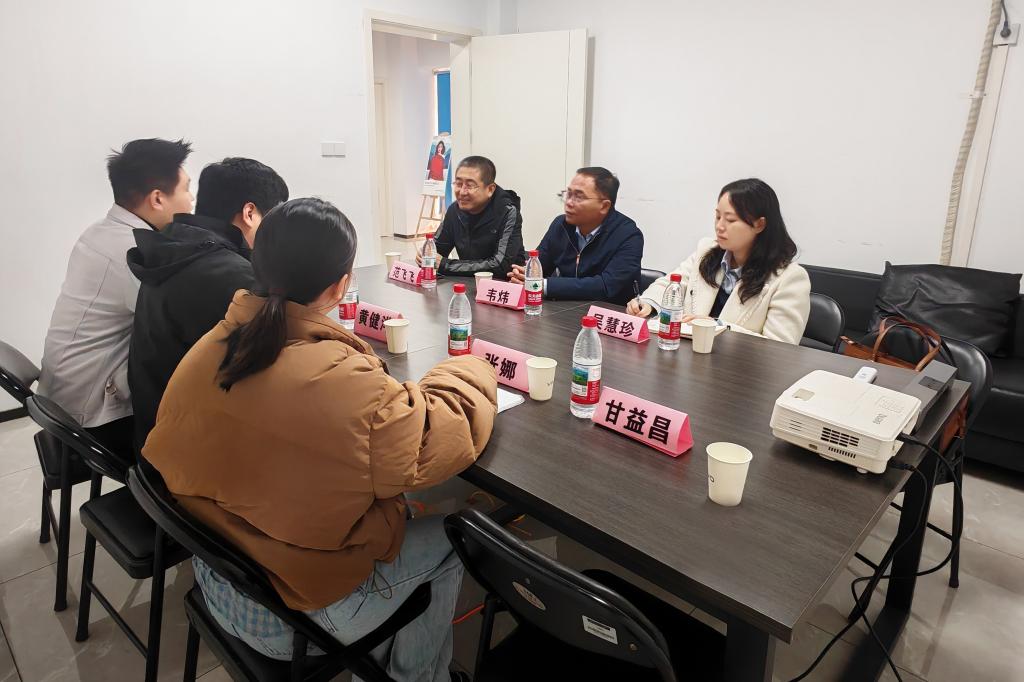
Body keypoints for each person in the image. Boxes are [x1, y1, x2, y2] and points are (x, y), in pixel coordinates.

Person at [142, 197, 497, 682]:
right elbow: (439, 436)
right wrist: (471, 367)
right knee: (455, 536)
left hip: (221, 577)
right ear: (340, 286)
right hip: (294, 613)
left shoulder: (211, 345)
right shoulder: (342, 382)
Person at [38, 138, 193, 462]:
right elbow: (179, 323)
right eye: (187, 189)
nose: (191, 200)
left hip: (63, 397)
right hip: (92, 419)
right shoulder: (133, 252)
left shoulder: (102, 232)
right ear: (157, 198)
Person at [127, 157, 289, 451]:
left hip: (156, 431)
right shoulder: (229, 276)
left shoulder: (175, 248)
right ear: (249, 213)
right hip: (190, 453)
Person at [627, 178, 810, 344]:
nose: (719, 226)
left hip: (739, 368)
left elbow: (781, 346)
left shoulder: (789, 278)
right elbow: (672, 283)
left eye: (730, 220)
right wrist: (647, 302)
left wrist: (718, 326)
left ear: (759, 224)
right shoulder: (706, 250)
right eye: (717, 217)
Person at [508, 167, 643, 304]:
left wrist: (544, 285)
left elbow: (606, 286)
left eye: (578, 197)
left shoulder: (628, 235)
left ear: (604, 206)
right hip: (564, 309)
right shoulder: (560, 225)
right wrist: (523, 275)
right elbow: (539, 267)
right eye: (568, 194)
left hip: (608, 312)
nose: (569, 202)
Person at [416, 156, 526, 277]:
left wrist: (445, 264)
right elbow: (437, 250)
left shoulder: (507, 212)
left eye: (470, 185)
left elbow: (500, 265)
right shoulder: (454, 210)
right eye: (458, 184)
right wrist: (426, 255)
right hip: (467, 281)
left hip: (502, 283)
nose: (462, 192)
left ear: (490, 189)